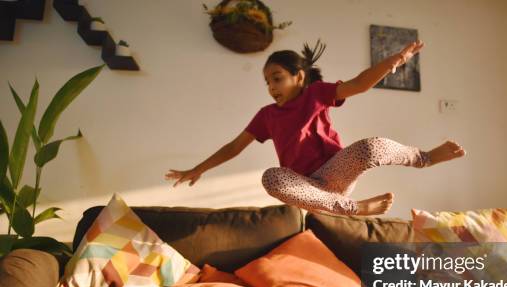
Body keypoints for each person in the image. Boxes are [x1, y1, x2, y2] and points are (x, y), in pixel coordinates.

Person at [165, 39, 466, 216]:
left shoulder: (316, 93)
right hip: (306, 187)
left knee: (370, 146)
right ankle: (354, 209)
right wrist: (198, 169)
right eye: (267, 81)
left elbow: (359, 84)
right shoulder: (267, 115)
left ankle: (424, 158)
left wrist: (394, 61)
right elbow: (234, 147)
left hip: (336, 171)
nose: (271, 87)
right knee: (271, 177)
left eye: (277, 78)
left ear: (299, 76)